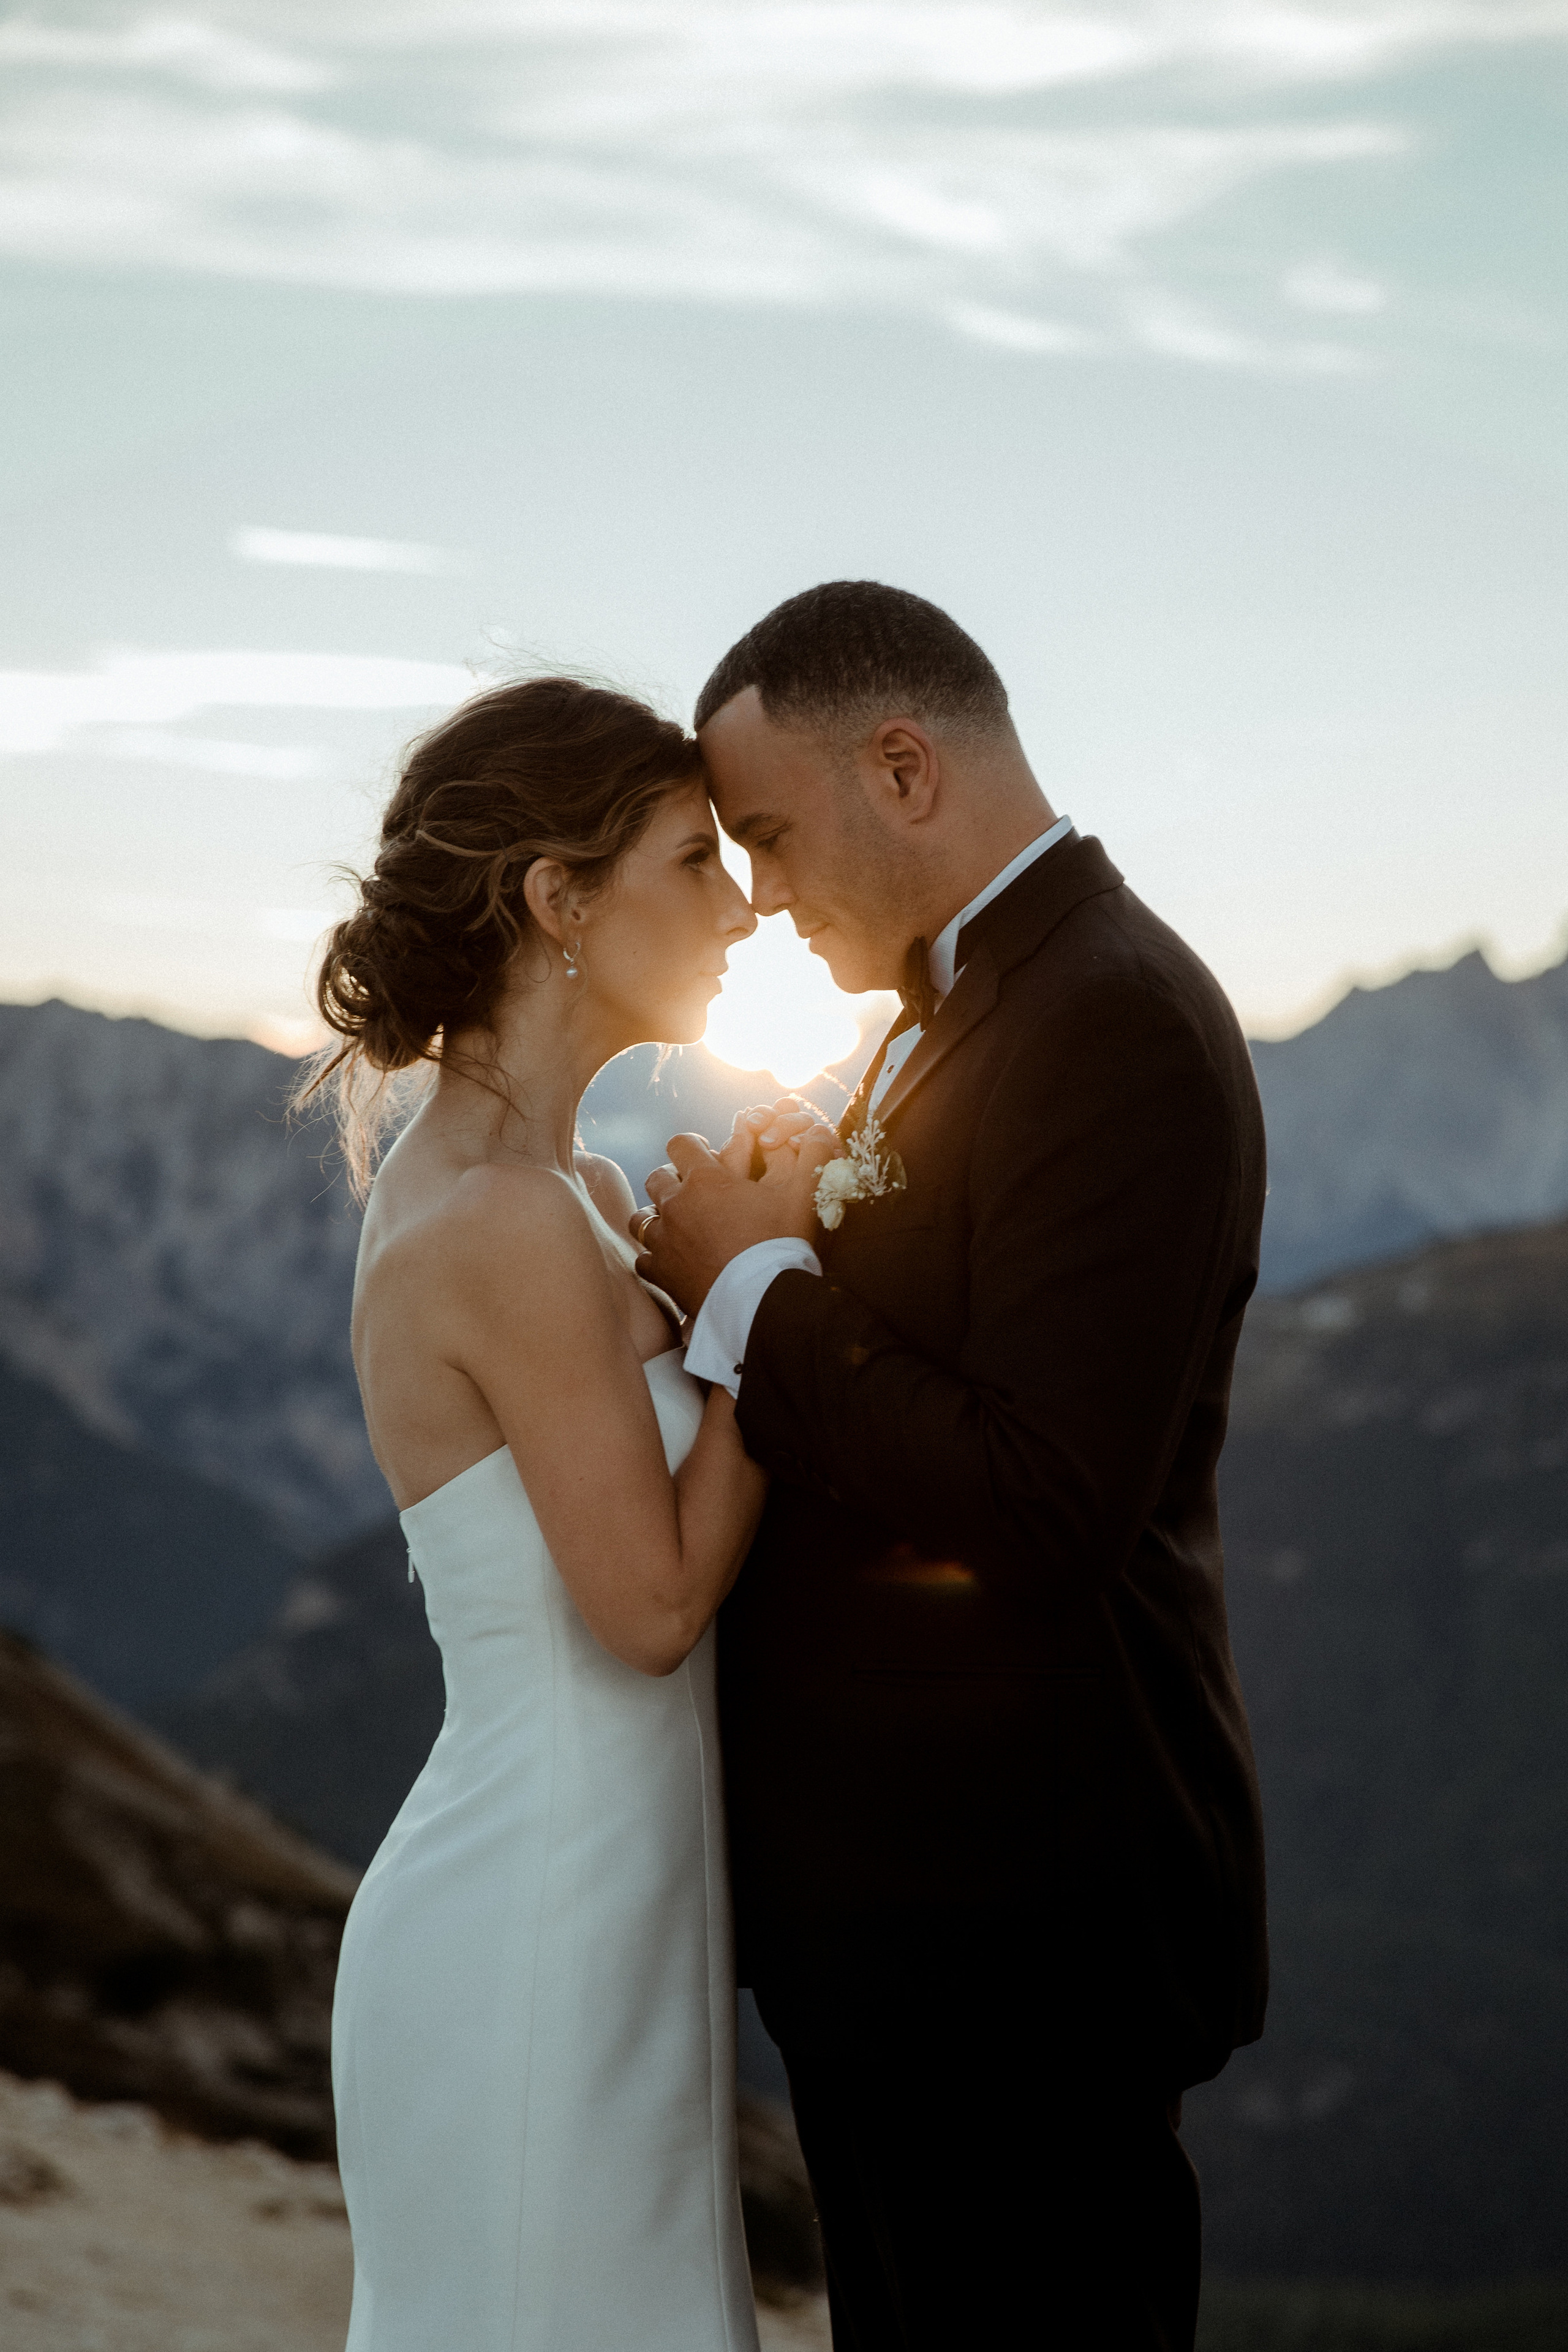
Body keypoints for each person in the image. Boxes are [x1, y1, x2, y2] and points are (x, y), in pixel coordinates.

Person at [637, 581, 1270, 2351]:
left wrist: (752, 1287)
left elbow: (1043, 1498)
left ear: (902, 765)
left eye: (767, 834)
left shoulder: (1115, 1020)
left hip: (1026, 1928)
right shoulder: (979, 1004)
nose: (758, 896)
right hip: (914, 1922)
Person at [319, 677, 834, 2351]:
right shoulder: (496, 1216)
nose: (743, 905)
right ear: (558, 901)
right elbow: (655, 1603)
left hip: (612, 1895)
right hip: (535, 1919)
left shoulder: (567, 1191)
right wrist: (766, 1293)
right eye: (695, 858)